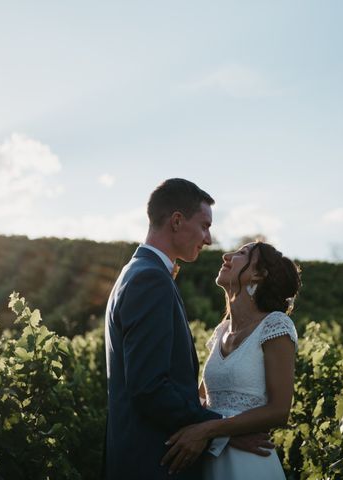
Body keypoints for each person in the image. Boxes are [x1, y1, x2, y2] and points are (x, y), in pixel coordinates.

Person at [104, 179, 272, 480]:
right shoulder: (151, 280)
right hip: (154, 462)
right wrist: (222, 432)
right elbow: (149, 387)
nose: (208, 239)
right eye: (205, 226)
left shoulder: (136, 272)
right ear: (177, 221)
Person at [161, 241, 302, 479]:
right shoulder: (221, 331)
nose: (226, 256)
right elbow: (202, 398)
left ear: (259, 274)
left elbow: (279, 411)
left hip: (249, 464)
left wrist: (208, 429)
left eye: (242, 254)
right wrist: (224, 435)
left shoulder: (275, 325)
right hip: (212, 456)